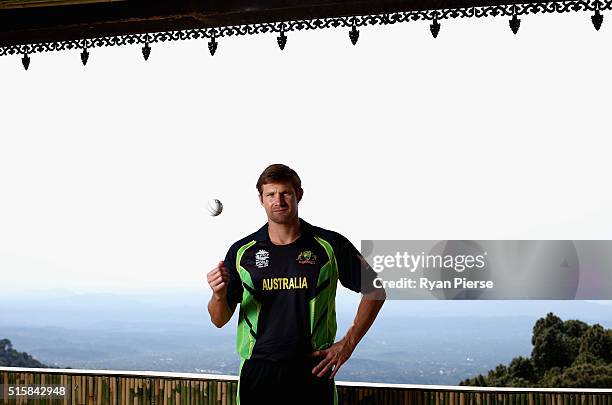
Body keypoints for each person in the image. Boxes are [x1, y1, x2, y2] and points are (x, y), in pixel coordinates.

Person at [206, 164, 386, 405]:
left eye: (285, 193)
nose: (278, 200)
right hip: (258, 371)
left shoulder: (329, 245)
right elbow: (219, 319)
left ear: (298, 195)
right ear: (261, 199)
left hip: (312, 370)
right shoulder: (242, 252)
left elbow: (376, 290)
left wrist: (348, 343)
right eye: (271, 194)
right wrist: (218, 295)